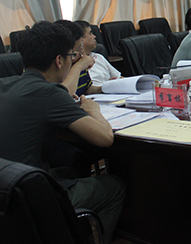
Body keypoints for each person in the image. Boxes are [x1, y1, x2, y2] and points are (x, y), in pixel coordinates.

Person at [0, 21, 125, 243]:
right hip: (29, 198)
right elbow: (105, 138)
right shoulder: (50, 93)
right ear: (60, 61)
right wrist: (94, 111)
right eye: (71, 56)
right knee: (114, 187)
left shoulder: (6, 84)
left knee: (70, 171)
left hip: (7, 190)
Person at [54, 20, 102, 97]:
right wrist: (78, 67)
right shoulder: (56, 70)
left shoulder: (78, 61)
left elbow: (86, 89)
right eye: (78, 49)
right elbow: (63, 95)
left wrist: (103, 89)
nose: (82, 53)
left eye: (82, 47)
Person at [75, 20, 121, 86]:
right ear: (81, 39)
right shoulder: (76, 66)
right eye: (90, 33)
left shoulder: (99, 57)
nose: (94, 36)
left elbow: (119, 77)